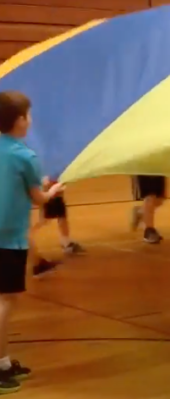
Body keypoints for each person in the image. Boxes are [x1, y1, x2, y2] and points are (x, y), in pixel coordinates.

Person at [0, 90, 66, 394]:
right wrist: (52, 192)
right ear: (18, 121)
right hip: (7, 238)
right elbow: (38, 197)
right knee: (4, 302)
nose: (31, 120)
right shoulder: (25, 155)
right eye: (28, 115)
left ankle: (3, 362)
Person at [34, 178, 85, 256]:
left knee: (61, 217)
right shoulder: (49, 172)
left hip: (54, 195)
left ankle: (66, 243)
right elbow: (46, 183)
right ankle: (66, 243)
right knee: (44, 221)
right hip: (51, 196)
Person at [130, 175, 167, 244]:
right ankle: (149, 231)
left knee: (159, 200)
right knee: (149, 197)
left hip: (156, 168)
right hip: (142, 170)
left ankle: (141, 211)